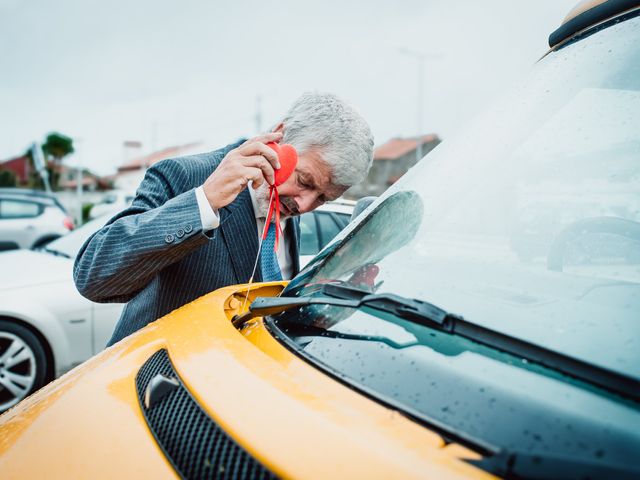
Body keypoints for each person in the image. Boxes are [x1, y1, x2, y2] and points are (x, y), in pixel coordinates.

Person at [73, 92, 374, 346]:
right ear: (281, 135)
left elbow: (268, 317)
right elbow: (93, 277)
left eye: (323, 198)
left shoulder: (286, 203)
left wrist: (338, 300)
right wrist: (203, 202)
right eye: (306, 181)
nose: (304, 204)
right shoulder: (184, 176)